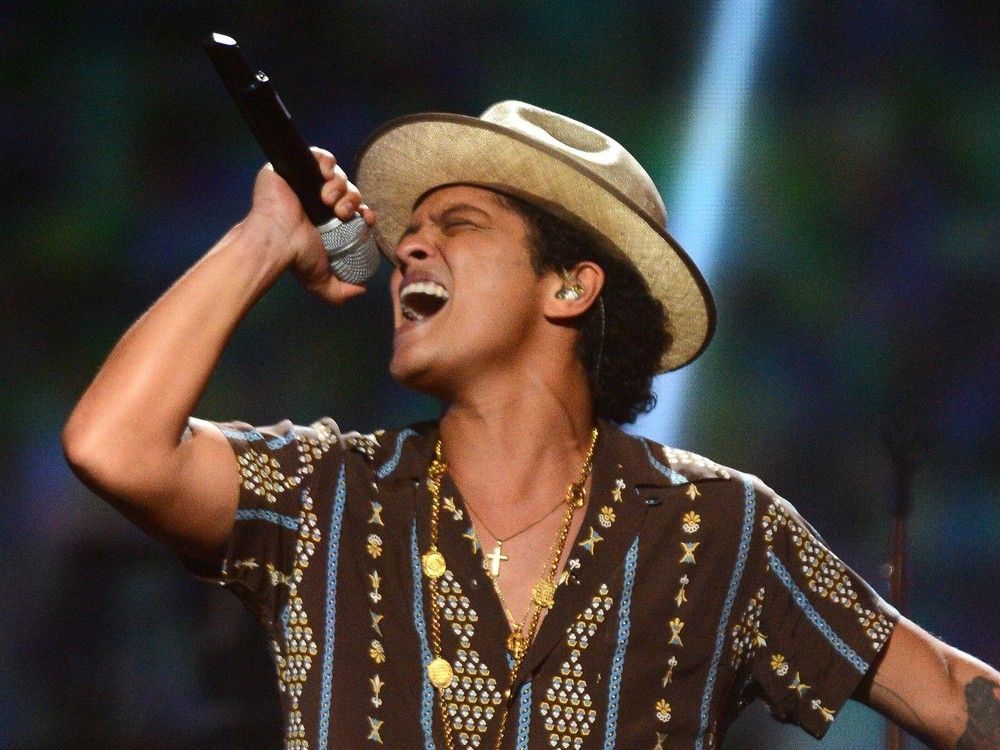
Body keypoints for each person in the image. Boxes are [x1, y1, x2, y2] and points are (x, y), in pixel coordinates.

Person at [63, 101, 998, 750]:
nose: (409, 246)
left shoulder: (722, 528)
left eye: (458, 224)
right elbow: (114, 447)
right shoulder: (325, 494)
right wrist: (264, 238)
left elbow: (956, 700)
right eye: (408, 231)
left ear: (570, 285)